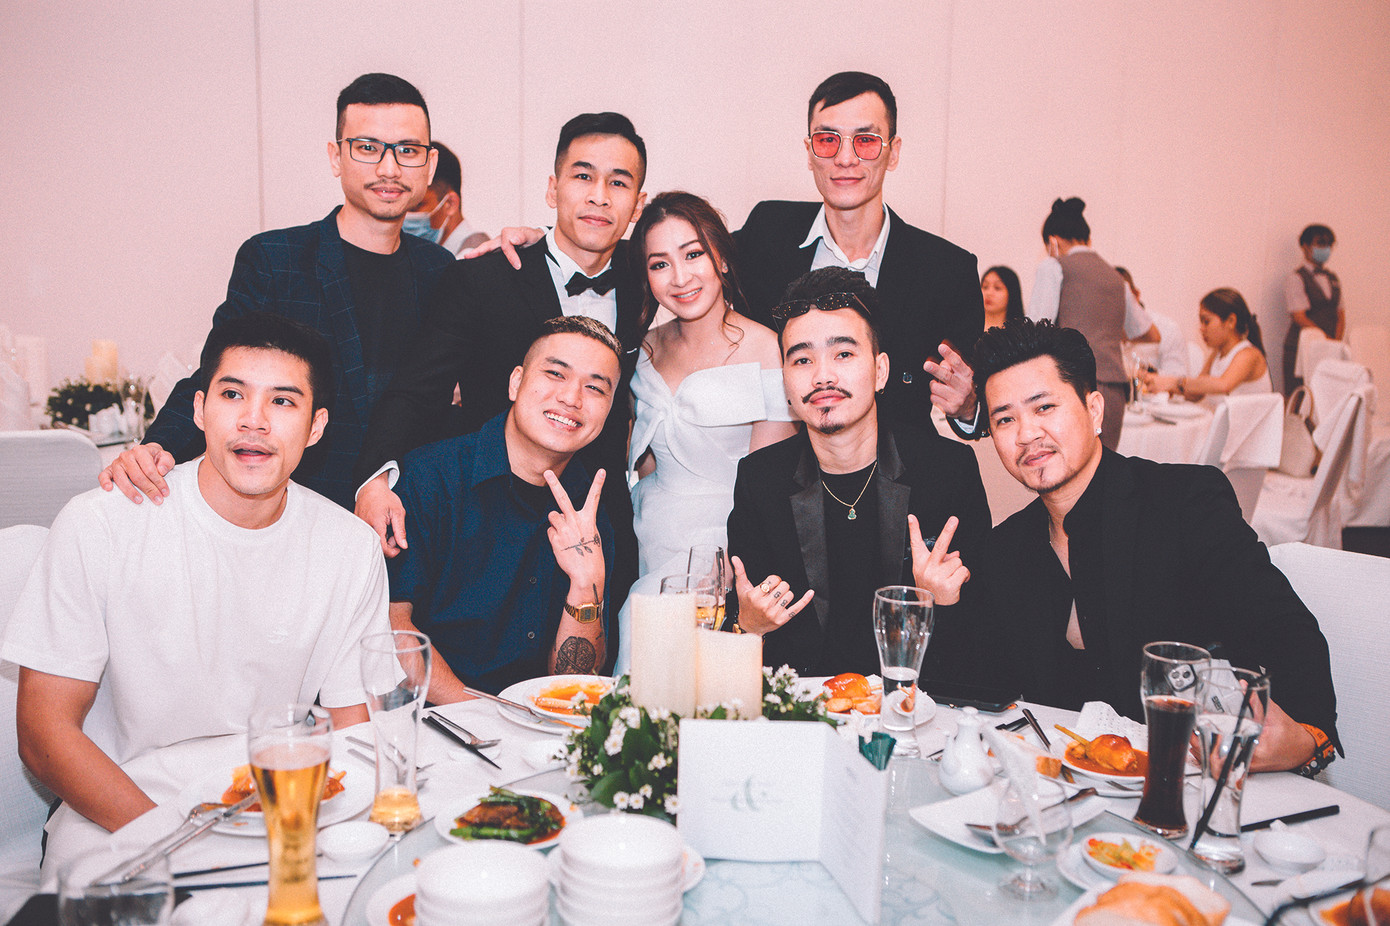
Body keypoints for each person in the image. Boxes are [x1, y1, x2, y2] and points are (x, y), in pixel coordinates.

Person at [1, 313, 388, 836]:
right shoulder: (101, 523)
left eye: (282, 401)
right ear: (200, 409)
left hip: (273, 808)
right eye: (233, 395)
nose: (254, 421)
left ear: (316, 426)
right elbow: (43, 734)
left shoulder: (349, 547)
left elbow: (353, 737)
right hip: (116, 813)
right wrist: (173, 840)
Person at [467, 72, 986, 437]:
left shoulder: (946, 269)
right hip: (784, 482)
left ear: (893, 152)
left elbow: (981, 404)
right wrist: (551, 241)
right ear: (809, 152)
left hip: (899, 492)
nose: (845, 158)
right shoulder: (769, 231)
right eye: (828, 140)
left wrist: (968, 408)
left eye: (866, 141)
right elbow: (678, 252)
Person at [957, 317, 1338, 774]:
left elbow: (1288, 633)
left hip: (1195, 781)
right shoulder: (1007, 549)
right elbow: (983, 691)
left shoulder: (1183, 505)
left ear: (1095, 411)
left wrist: (1307, 737)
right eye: (1005, 419)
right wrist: (944, 603)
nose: (1026, 434)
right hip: (1064, 793)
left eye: (1044, 407)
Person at [98, 73, 454, 511]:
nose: (389, 169)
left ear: (429, 165)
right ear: (336, 157)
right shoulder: (276, 259)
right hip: (296, 509)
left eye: (408, 151)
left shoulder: (441, 270)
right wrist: (158, 447)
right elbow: (216, 374)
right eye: (367, 148)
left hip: (405, 511)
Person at [352, 112, 648, 579]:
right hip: (489, 523)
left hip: (599, 521)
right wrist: (374, 480)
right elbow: (417, 391)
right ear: (552, 189)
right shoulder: (482, 279)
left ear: (637, 205)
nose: (599, 195)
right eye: (583, 176)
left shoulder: (648, 276)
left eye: (618, 182)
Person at [724, 267, 991, 677]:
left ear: (880, 371)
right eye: (802, 359)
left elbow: (987, 644)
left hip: (915, 704)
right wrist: (749, 627)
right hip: (805, 707)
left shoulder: (945, 472)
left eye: (844, 354)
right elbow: (740, 625)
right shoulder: (761, 481)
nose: (823, 376)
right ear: (786, 384)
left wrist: (943, 603)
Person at [388, 317, 620, 697]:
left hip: (539, 721)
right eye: (556, 374)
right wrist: (479, 717)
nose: (572, 398)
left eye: (595, 388)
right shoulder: (432, 477)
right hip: (432, 718)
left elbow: (576, 681)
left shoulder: (590, 510)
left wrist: (585, 587)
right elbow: (393, 629)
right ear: (516, 382)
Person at [615, 192, 797, 672]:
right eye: (660, 264)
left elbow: (770, 485)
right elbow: (645, 460)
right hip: (646, 533)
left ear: (721, 256)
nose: (680, 277)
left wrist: (736, 568)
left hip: (723, 544)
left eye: (693, 254)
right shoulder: (644, 349)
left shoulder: (768, 349)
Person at [1027, 197, 1159, 450]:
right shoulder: (1116, 278)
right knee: (1105, 466)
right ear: (1087, 238)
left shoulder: (1054, 266)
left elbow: (1035, 330)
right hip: (1115, 391)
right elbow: (1148, 333)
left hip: (1072, 384)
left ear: (1053, 241)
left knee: (1069, 466)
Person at [1143, 288, 1271, 401]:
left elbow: (1223, 385)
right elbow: (1196, 394)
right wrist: (1157, 382)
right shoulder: (1217, 354)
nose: (1202, 328)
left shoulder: (1249, 354)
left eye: (1206, 321)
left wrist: (1174, 382)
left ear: (1231, 321)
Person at [1282, 223, 1345, 395]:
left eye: (1329, 244)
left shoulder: (1333, 278)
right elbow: (1299, 316)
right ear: (1305, 246)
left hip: (1329, 348)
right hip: (1300, 348)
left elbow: (1340, 314)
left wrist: (1335, 342)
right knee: (1298, 396)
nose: (1325, 249)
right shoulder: (1296, 278)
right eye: (1320, 243)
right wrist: (1324, 339)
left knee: (1325, 396)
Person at [401, 141, 491, 256]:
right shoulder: (435, 254)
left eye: (415, 207)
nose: (406, 216)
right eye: (403, 206)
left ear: (450, 203)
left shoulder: (472, 256)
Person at [1115, 266, 1190, 378]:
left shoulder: (1168, 330)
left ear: (1135, 295)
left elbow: (1178, 378)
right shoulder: (1099, 331)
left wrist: (1139, 374)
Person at [981, 265, 1024, 330]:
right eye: (985, 287)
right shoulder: (968, 326)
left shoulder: (1019, 331)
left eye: (997, 288)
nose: (989, 293)